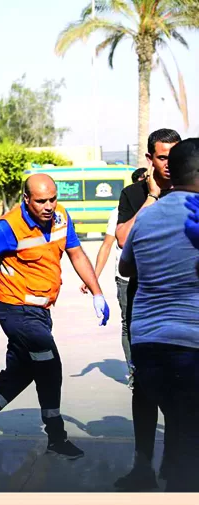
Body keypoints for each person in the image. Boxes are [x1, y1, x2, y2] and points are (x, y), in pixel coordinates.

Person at [0, 174, 109, 460]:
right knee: (50, 366)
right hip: (17, 311)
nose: (49, 206)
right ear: (26, 199)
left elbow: (76, 253)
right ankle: (56, 436)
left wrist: (97, 293)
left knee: (20, 373)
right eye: (41, 201)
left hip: (41, 311)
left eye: (53, 199)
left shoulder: (61, 217)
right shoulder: (8, 227)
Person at [118, 138, 199, 492]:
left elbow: (126, 266)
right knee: (187, 443)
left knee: (179, 429)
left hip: (149, 343)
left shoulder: (148, 215)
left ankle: (158, 472)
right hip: (191, 344)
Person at [79, 167, 147, 388]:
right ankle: (134, 372)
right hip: (125, 278)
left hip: (150, 277)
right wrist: (93, 278)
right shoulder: (120, 212)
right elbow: (107, 245)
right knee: (129, 324)